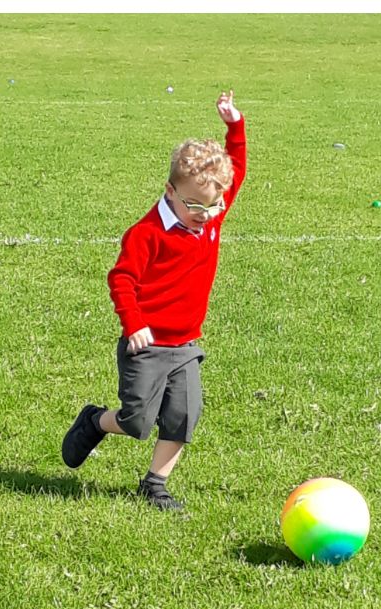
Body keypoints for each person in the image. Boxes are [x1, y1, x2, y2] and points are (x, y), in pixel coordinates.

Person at [62, 90, 247, 510]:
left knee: (183, 416)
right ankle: (95, 421)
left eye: (214, 205)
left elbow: (237, 168)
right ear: (170, 191)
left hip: (185, 345)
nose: (206, 214)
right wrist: (134, 323)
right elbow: (121, 278)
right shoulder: (147, 234)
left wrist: (234, 125)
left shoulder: (211, 215)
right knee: (137, 421)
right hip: (146, 344)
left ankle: (155, 484)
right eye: (195, 205)